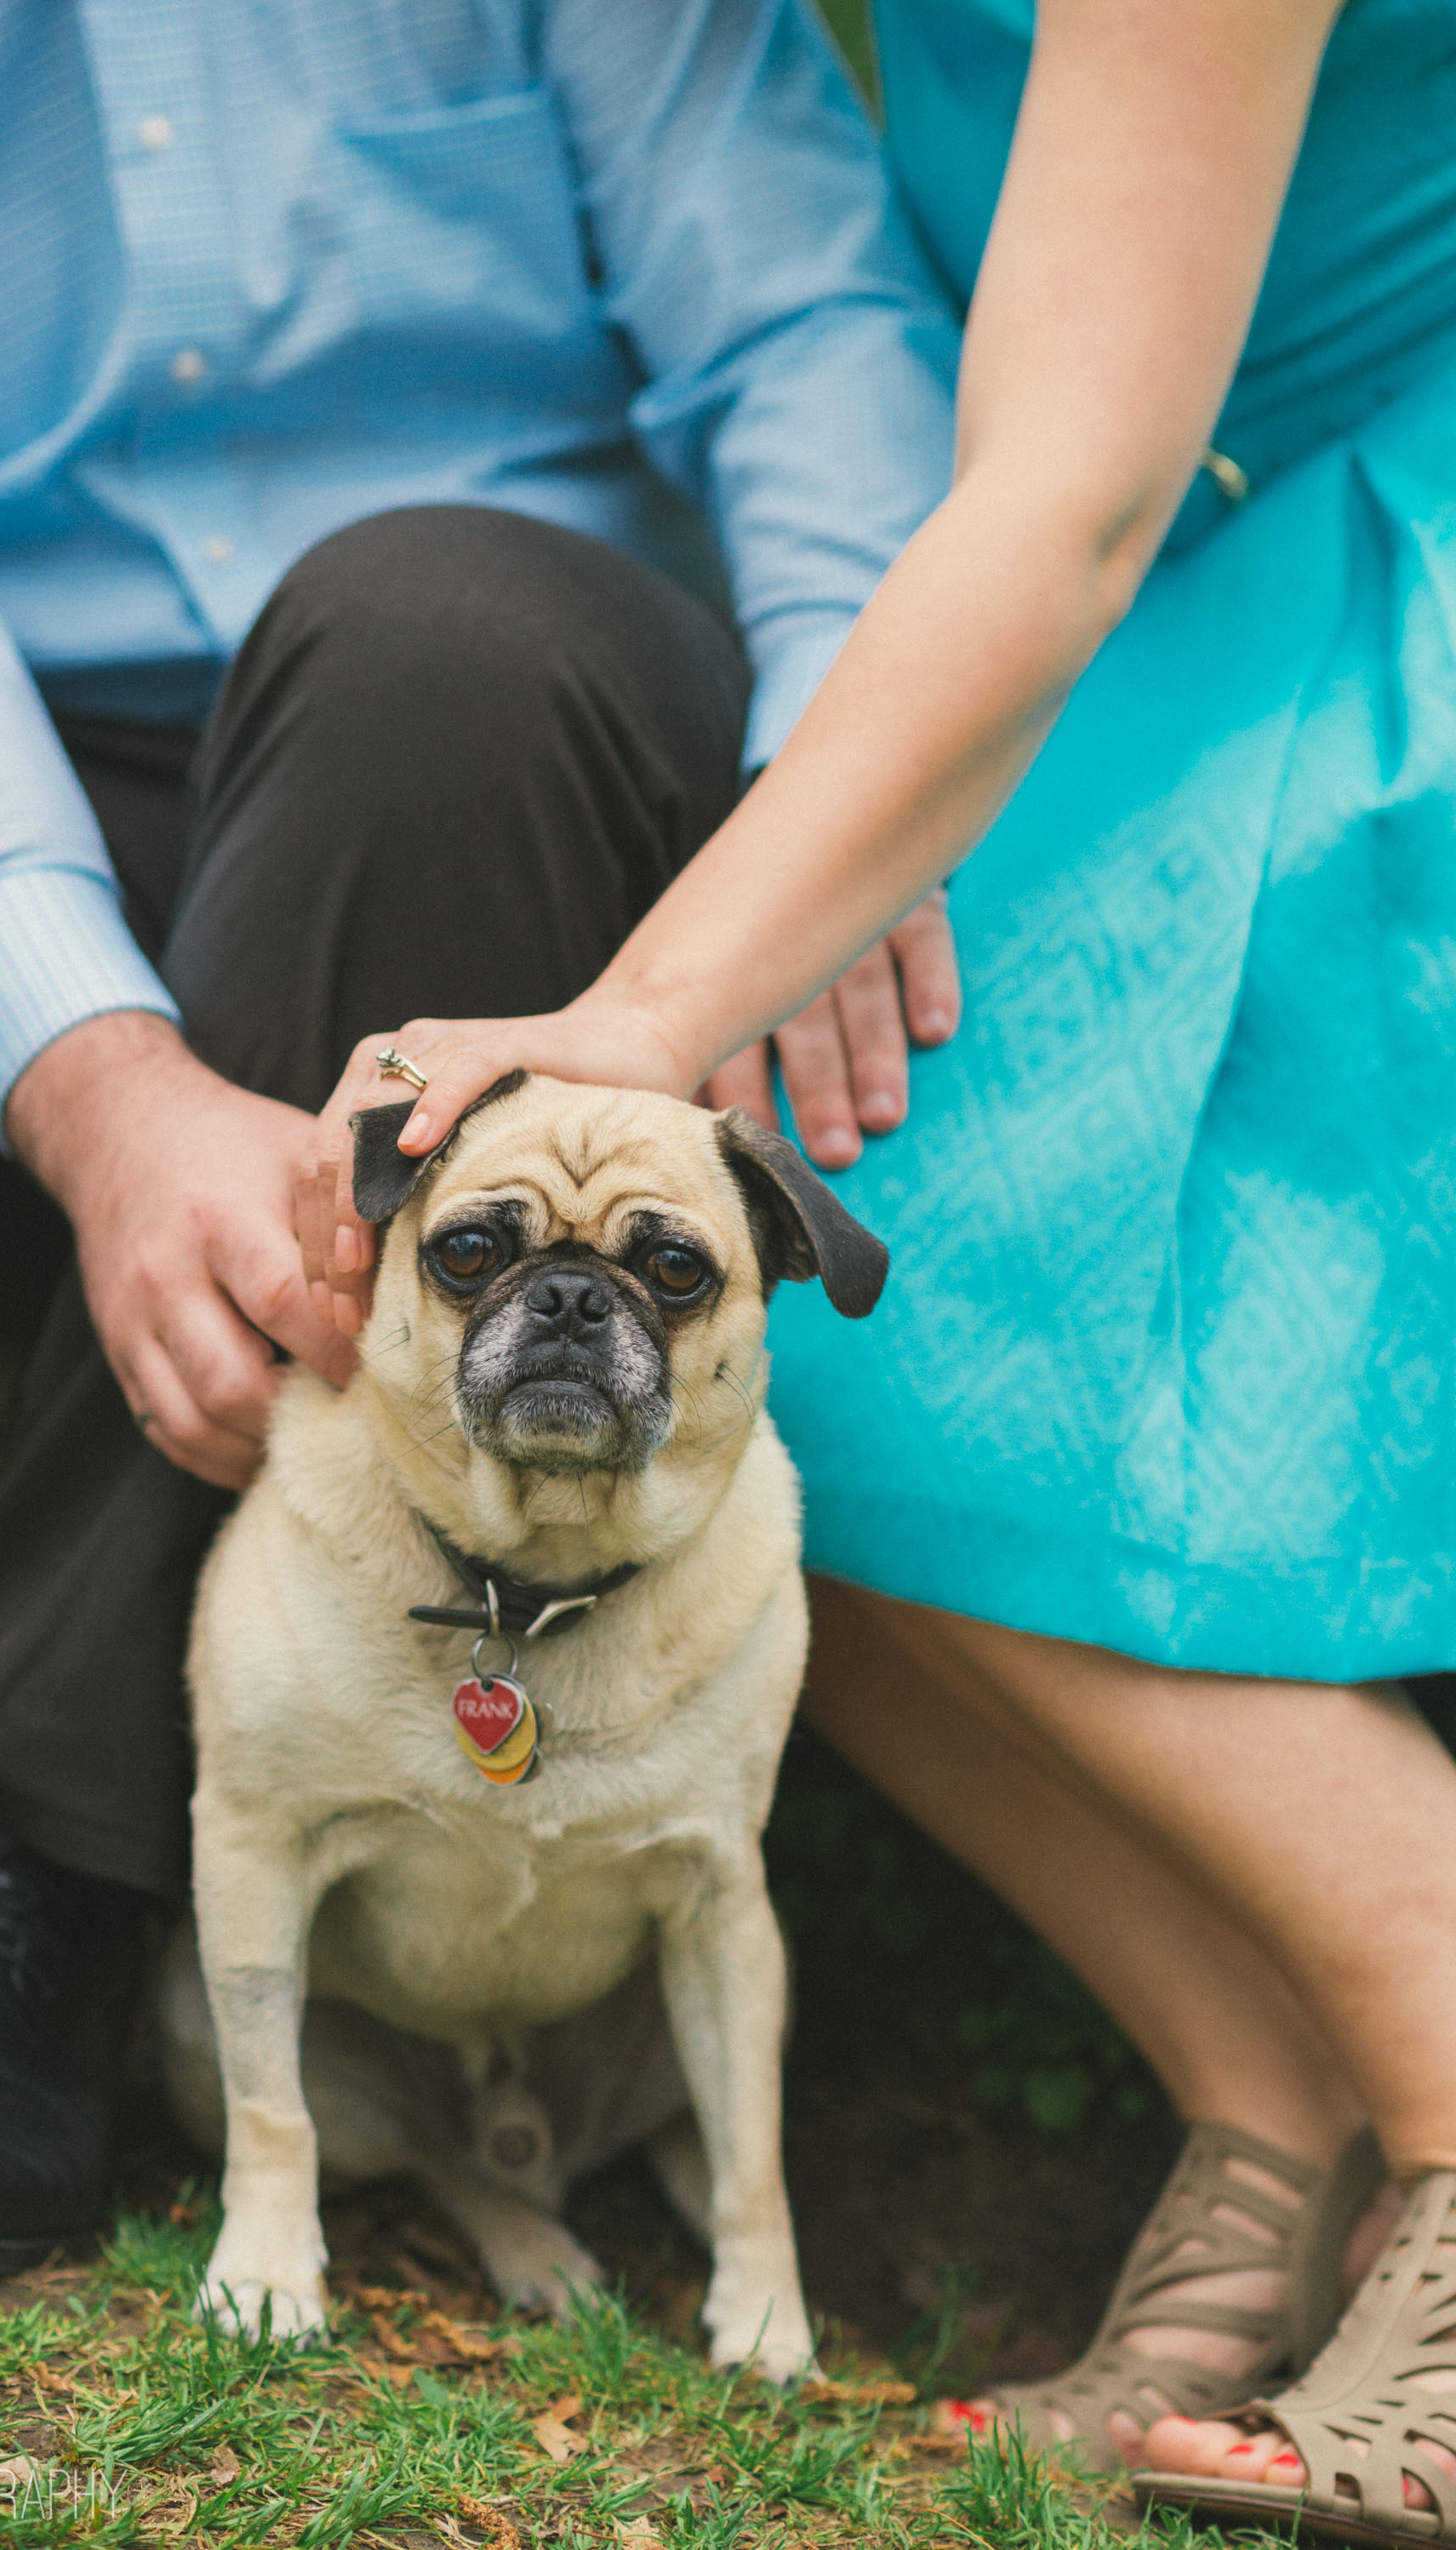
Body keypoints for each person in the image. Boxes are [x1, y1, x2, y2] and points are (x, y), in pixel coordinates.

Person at [298, 0, 1456, 2536]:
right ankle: (1263, 2091)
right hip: (1103, 600)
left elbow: (1062, 489)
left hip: (1350, 586)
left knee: (862, 1318)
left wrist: (632, 1019)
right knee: (779, 1382)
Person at [0, 0, 964, 2275]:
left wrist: (840, 798)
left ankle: (30, 1872)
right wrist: (99, 1081)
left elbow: (801, 312)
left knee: (428, 646)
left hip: (512, 798)